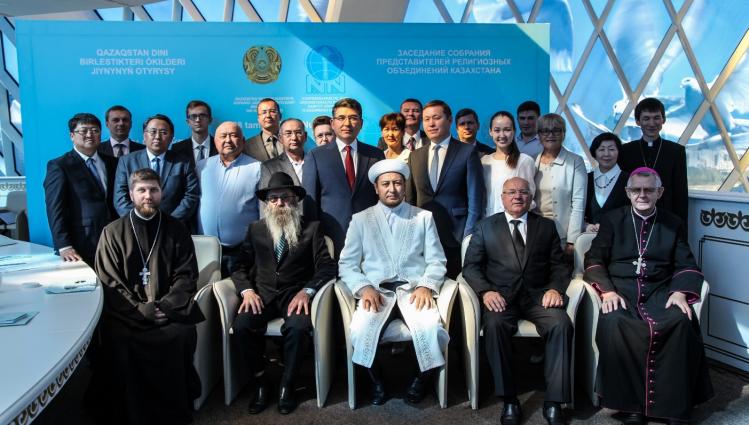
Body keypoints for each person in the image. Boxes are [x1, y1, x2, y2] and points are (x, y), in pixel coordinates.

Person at [583, 167, 713, 424]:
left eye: (649, 190)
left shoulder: (673, 223)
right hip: (621, 291)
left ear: (659, 192)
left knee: (680, 321)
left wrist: (679, 292)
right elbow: (594, 259)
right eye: (637, 190)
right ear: (628, 192)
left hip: (660, 292)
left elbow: (686, 263)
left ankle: (674, 405)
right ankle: (631, 406)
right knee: (616, 321)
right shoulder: (612, 220)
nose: (642, 195)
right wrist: (607, 291)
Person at [91, 168, 205, 425]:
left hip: (168, 310)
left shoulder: (176, 229)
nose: (148, 195)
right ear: (131, 194)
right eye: (141, 190)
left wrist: (166, 305)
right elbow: (109, 282)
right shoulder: (112, 232)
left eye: (153, 189)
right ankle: (129, 413)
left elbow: (186, 275)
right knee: (118, 338)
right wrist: (140, 309)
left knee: (182, 334)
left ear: (161, 193)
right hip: (127, 313)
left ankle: (174, 411)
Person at [463, 177, 572, 425]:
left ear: (531, 197)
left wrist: (555, 289)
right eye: (511, 192)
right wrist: (486, 292)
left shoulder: (546, 226)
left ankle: (554, 401)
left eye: (523, 192)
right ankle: (509, 399)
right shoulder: (485, 227)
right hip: (501, 298)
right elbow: (471, 267)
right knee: (494, 326)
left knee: (561, 324)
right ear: (502, 197)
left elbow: (560, 265)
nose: (517, 196)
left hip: (538, 297)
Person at [339, 159, 448, 406]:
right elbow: (347, 264)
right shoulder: (361, 220)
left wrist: (426, 285)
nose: (392, 189)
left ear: (405, 186)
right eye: (386, 184)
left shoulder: (423, 217)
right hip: (377, 293)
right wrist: (364, 287)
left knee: (432, 328)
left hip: (413, 292)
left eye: (398, 183)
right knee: (361, 330)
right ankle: (376, 382)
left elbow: (437, 260)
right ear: (376, 188)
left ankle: (420, 381)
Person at [231, 171, 337, 415]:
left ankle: (288, 384)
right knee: (242, 326)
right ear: (267, 204)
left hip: (295, 295)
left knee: (298, 328)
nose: (280, 203)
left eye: (285, 197)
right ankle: (260, 381)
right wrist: (247, 291)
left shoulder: (312, 229)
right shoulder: (255, 229)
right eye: (274, 198)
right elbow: (238, 266)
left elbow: (327, 266)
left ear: (295, 201)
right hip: (262, 296)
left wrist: (307, 291)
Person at [406, 99, 484, 278]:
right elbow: (410, 200)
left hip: (456, 237)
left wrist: (467, 237)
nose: (431, 124)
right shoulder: (415, 156)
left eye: (436, 118)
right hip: (423, 238)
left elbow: (475, 201)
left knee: (455, 287)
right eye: (426, 119)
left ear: (449, 120)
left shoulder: (467, 152)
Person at [302, 97, 385, 256]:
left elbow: (382, 199)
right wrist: (315, 242)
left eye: (353, 118)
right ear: (333, 123)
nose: (347, 123)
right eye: (341, 118)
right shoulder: (316, 156)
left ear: (361, 123)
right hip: (331, 241)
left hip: (370, 240)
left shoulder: (375, 155)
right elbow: (310, 204)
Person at [44, 112, 118, 267]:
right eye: (83, 131)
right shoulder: (60, 166)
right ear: (72, 136)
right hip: (82, 242)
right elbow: (55, 208)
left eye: (95, 130)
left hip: (114, 238)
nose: (90, 135)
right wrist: (64, 245)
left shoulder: (113, 163)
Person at [197, 121, 261, 277]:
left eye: (233, 135)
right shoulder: (201, 167)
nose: (228, 140)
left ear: (243, 141)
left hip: (240, 251)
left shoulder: (257, 168)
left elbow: (263, 211)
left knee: (236, 290)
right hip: (205, 250)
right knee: (205, 290)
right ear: (215, 141)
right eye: (223, 136)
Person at [114, 114, 200, 227]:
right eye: (153, 132)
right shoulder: (127, 161)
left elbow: (191, 195)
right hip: (136, 227)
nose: (157, 137)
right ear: (144, 136)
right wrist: (138, 221)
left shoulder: (183, 162)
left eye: (163, 132)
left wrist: (170, 222)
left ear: (171, 137)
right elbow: (120, 198)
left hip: (172, 227)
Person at [618, 97, 688, 225]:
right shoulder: (626, 151)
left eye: (656, 118)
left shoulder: (676, 151)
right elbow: (622, 190)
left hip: (666, 219)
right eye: (646, 118)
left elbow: (680, 193)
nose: (652, 123)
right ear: (638, 121)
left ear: (663, 120)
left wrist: (681, 228)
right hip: (632, 219)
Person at [533, 113, 587, 258]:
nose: (551, 135)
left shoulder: (575, 161)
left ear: (564, 133)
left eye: (556, 130)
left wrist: (572, 240)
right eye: (545, 131)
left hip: (561, 235)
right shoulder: (532, 161)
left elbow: (578, 203)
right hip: (534, 233)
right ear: (539, 135)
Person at [481, 111, 536, 217]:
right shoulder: (485, 161)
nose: (502, 135)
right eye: (497, 130)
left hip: (513, 222)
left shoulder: (524, 161)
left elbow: (529, 198)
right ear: (490, 132)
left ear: (514, 131)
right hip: (488, 221)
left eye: (507, 130)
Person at [585, 132, 628, 231]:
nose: (606, 154)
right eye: (601, 149)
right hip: (588, 236)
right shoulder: (586, 179)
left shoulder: (629, 179)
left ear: (618, 152)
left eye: (611, 149)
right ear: (594, 152)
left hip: (619, 236)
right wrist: (585, 225)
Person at [260, 118, 307, 188]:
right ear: (280, 138)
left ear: (305, 136)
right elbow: (265, 194)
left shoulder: (315, 161)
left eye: (298, 133)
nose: (294, 138)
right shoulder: (269, 167)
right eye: (288, 133)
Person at [171, 100, 217, 166]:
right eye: (193, 116)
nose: (198, 120)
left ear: (210, 120)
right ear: (188, 122)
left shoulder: (220, 146)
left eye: (202, 116)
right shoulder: (177, 149)